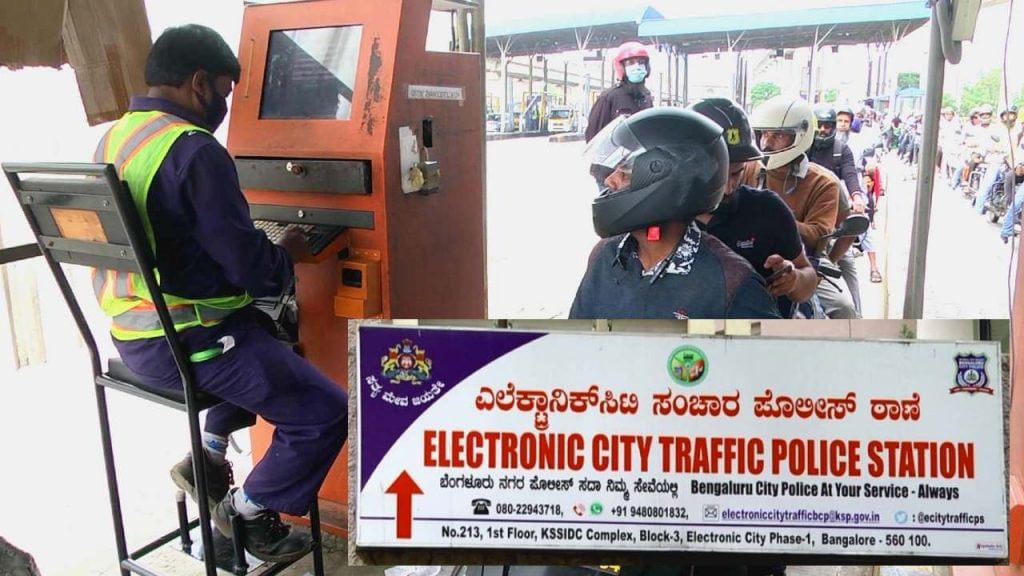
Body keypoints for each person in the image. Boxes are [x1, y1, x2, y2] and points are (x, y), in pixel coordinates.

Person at [90, 24, 347, 562]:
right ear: (199, 83)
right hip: (192, 344)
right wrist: (289, 252)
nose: (226, 106)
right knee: (327, 410)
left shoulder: (117, 137)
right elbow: (250, 267)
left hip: (132, 336)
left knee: (269, 341)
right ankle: (247, 513)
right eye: (227, 92)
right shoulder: (193, 150)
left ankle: (205, 459)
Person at [570, 108, 780, 319]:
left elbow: (771, 351)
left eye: (624, 173)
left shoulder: (733, 284)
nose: (610, 180)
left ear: (664, 180)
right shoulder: (605, 258)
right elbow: (575, 343)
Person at [690, 98, 817, 318]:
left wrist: (794, 279)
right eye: (720, 177)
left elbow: (808, 276)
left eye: (737, 173)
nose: (729, 187)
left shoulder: (768, 210)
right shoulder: (665, 216)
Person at [745, 96, 854, 319]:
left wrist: (772, 219)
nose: (767, 142)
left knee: (844, 308)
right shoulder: (748, 169)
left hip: (804, 259)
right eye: (765, 134)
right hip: (746, 252)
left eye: (779, 135)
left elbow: (817, 235)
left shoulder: (823, 182)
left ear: (800, 136)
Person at [808, 104, 866, 317]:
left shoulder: (841, 150)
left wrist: (857, 197)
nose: (823, 130)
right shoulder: (804, 150)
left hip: (834, 218)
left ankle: (857, 319)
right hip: (810, 221)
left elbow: (851, 175)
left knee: (848, 269)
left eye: (827, 126)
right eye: (819, 125)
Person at [584, 41, 653, 142]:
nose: (637, 67)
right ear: (621, 67)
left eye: (641, 62)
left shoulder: (646, 97)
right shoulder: (608, 97)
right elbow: (593, 137)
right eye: (631, 63)